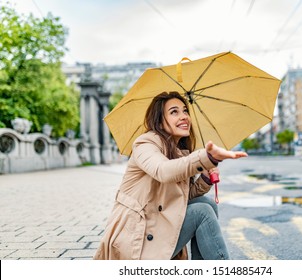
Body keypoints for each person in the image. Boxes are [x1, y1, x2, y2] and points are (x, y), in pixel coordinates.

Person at [93, 91, 248, 260]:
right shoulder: (145, 144)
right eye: (174, 112)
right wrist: (205, 158)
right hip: (136, 239)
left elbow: (182, 198)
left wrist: (204, 178)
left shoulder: (178, 152)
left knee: (205, 202)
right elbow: (163, 171)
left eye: (185, 111)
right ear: (159, 120)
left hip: (155, 226)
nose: (184, 117)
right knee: (201, 212)